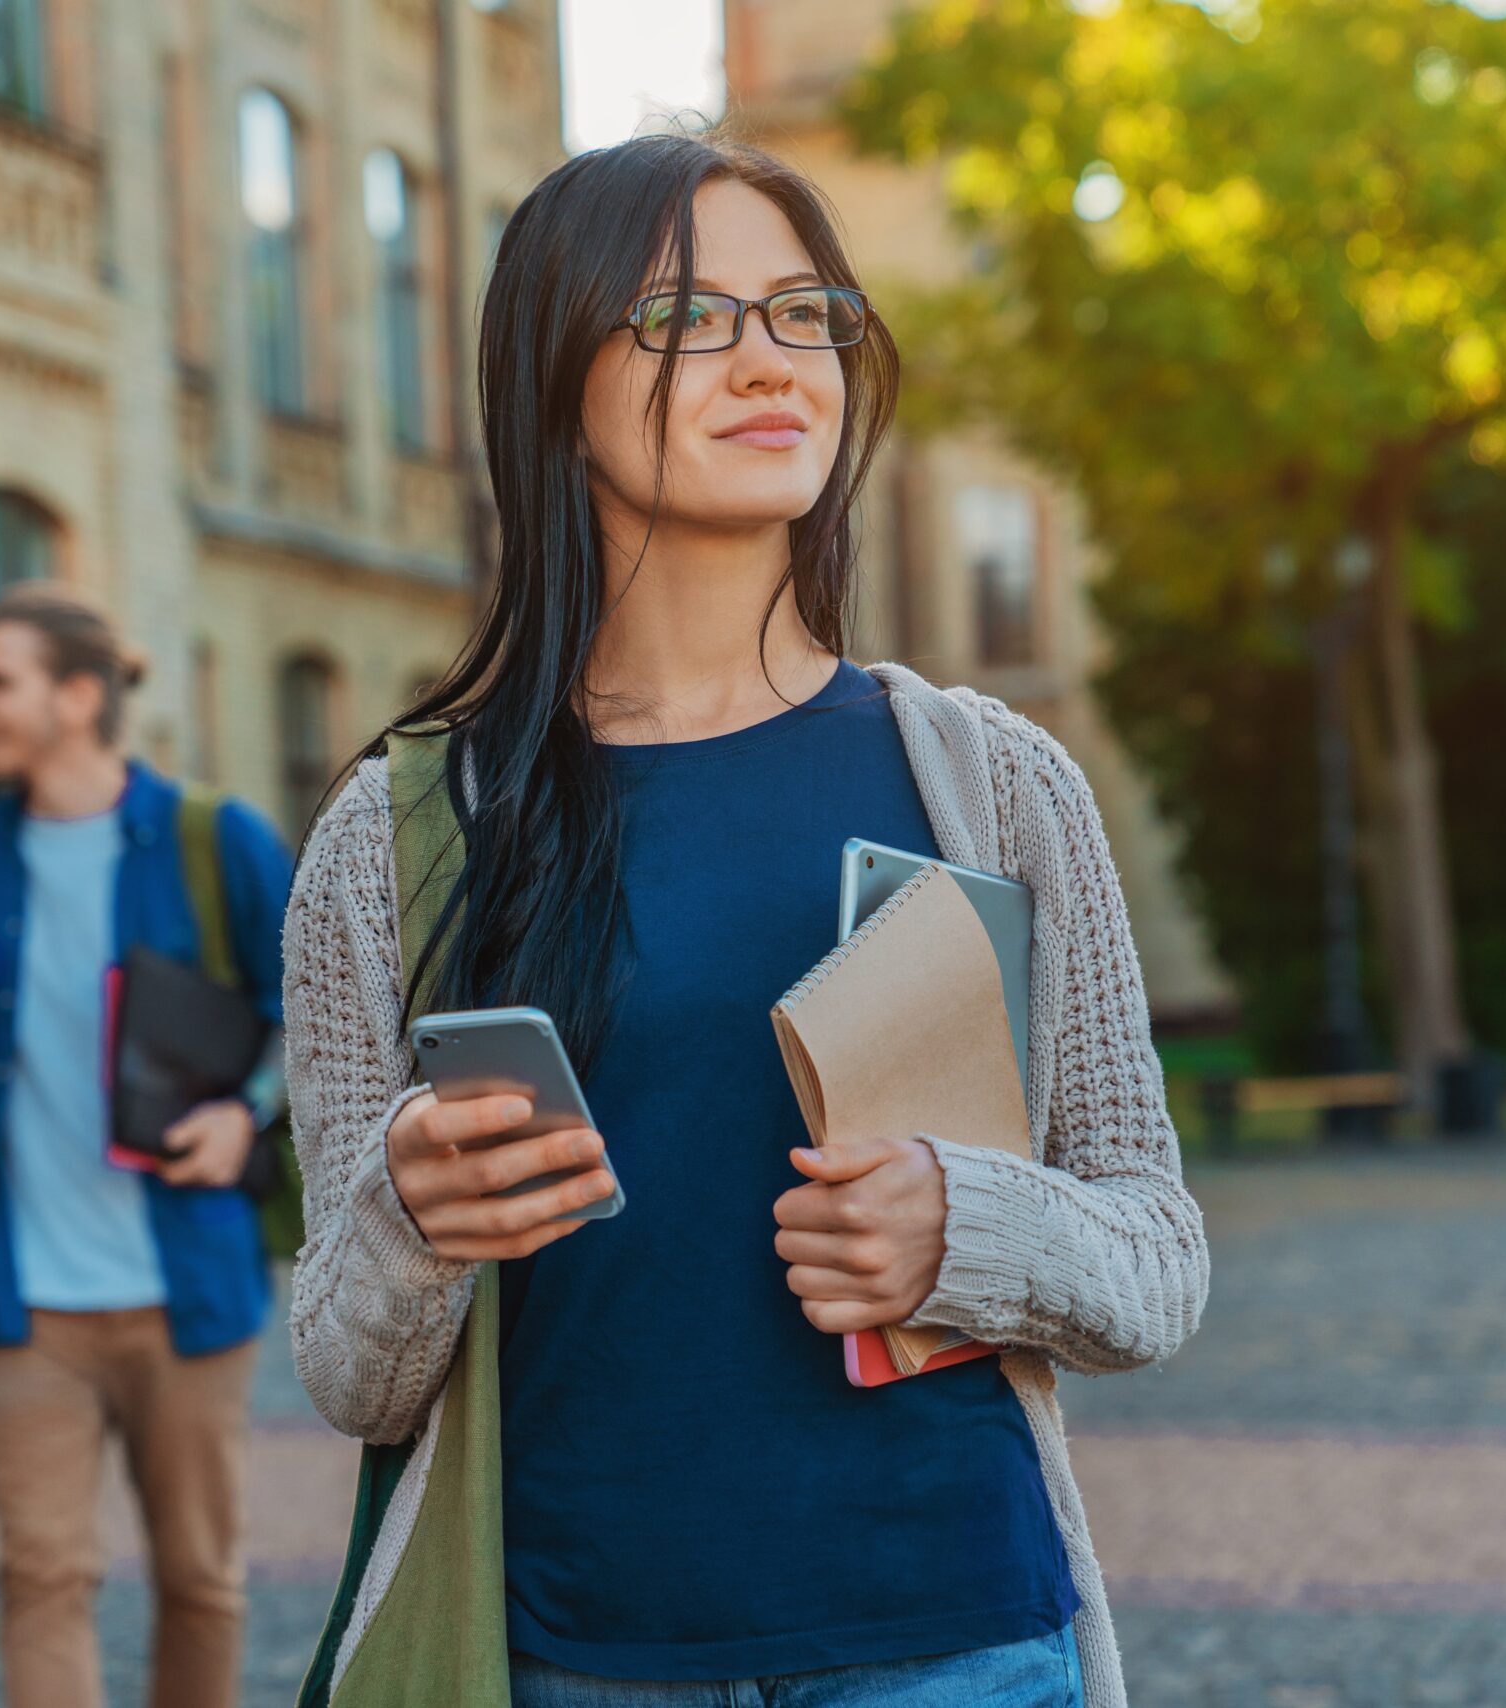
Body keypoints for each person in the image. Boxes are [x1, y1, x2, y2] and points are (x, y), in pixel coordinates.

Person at [283, 133, 1211, 1708]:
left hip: (958, 1644)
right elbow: (350, 1371)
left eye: (803, 313)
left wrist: (966, 1227)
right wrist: (413, 1219)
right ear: (550, 386)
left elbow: (1158, 1257)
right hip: (574, 1657)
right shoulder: (401, 835)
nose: (769, 360)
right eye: (685, 320)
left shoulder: (988, 779)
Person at [0, 583, 293, 1708]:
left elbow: (318, 1010)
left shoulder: (217, 841)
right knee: (40, 1574)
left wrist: (245, 1107)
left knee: (201, 1580)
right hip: (27, 1304)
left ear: (75, 696)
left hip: (188, 1286)